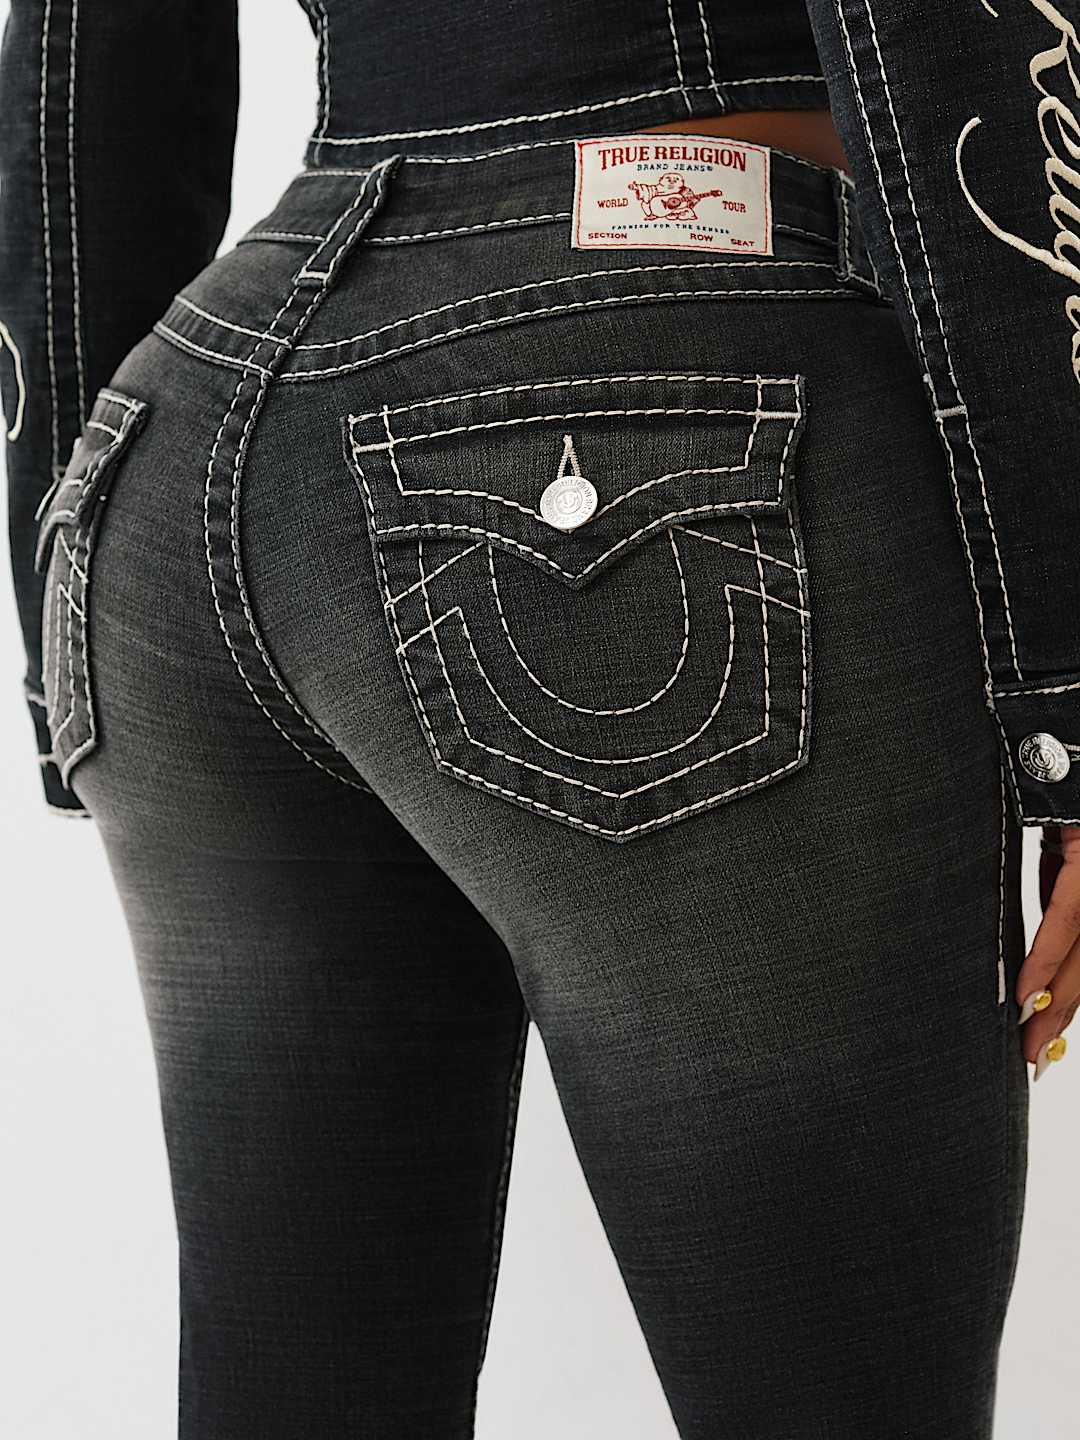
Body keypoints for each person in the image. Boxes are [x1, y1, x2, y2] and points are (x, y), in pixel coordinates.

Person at [1, 2, 1077, 1436]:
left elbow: (82, 54)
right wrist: (1065, 690)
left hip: (188, 432)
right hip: (667, 374)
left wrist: (62, 608)